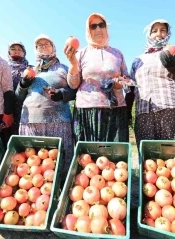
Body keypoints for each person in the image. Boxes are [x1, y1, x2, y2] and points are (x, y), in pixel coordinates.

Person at [126, 19, 175, 147]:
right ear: (149, 34)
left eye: (163, 30)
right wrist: (126, 113)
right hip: (144, 115)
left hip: (173, 112)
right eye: (154, 31)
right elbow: (131, 89)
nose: (158, 34)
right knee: (149, 162)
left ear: (168, 33)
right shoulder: (138, 60)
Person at [64, 13, 130, 143]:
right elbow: (73, 84)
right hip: (87, 111)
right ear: (88, 31)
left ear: (106, 28)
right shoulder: (81, 53)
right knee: (88, 158)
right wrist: (73, 63)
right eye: (93, 26)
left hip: (115, 110)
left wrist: (120, 83)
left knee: (115, 157)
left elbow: (127, 79)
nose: (98, 29)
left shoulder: (117, 53)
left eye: (101, 25)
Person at [16, 34, 76, 170]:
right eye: (39, 45)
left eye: (46, 44)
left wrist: (61, 95)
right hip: (30, 122)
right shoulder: (31, 69)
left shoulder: (63, 68)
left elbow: (74, 90)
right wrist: (23, 83)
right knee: (34, 164)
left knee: (59, 160)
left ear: (53, 47)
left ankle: (62, 185)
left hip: (58, 122)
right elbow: (18, 95)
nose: (43, 47)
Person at [7, 41, 32, 135]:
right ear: (9, 52)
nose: (16, 51)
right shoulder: (3, 67)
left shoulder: (30, 69)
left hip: (25, 108)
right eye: (13, 49)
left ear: (24, 53)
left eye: (19, 49)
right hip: (7, 107)